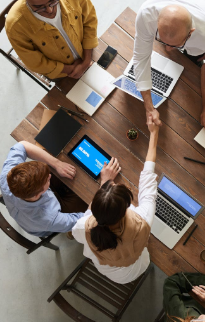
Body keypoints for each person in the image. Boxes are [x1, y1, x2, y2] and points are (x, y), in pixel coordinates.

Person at [72, 115, 159, 284]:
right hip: (136, 267)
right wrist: (154, 133)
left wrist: (104, 183)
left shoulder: (84, 226)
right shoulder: (142, 220)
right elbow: (148, 179)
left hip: (111, 272)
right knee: (145, 255)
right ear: (126, 209)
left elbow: (86, 220)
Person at [134, 0, 205, 126]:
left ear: (191, 33)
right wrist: (149, 107)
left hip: (202, 4)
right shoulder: (145, 15)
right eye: (162, 40)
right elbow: (140, 58)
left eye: (175, 45)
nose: (167, 49)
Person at [6, 0, 98, 79]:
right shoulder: (15, 26)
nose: (50, 10)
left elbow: (90, 19)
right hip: (63, 74)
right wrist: (72, 69)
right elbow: (34, 62)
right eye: (39, 7)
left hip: (89, 51)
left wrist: (86, 61)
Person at [0, 141, 87, 237]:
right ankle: (70, 234)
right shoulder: (49, 219)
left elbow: (22, 145)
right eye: (47, 180)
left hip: (29, 211)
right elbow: (84, 221)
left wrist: (57, 164)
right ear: (37, 194)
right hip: (49, 222)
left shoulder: (9, 176)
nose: (49, 176)